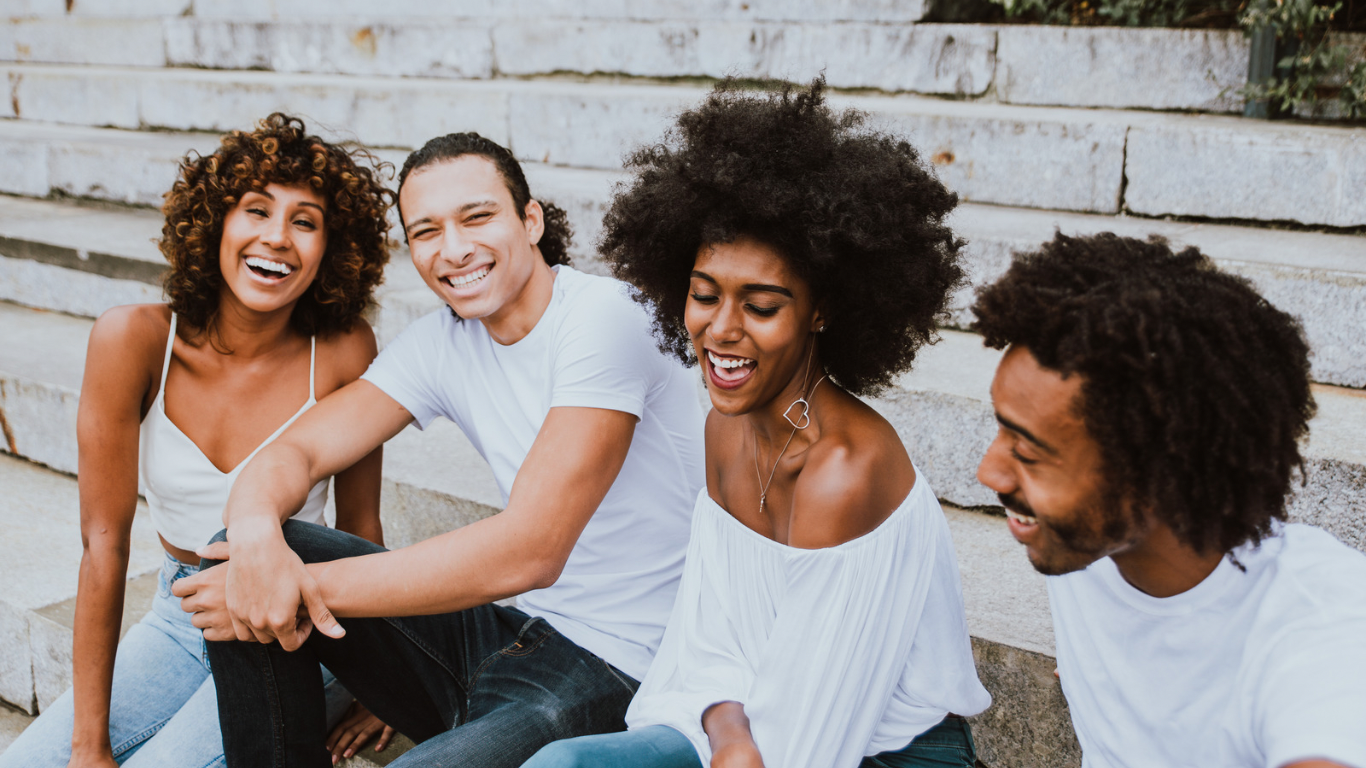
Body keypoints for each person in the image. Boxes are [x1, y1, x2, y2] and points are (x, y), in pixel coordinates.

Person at [172, 131, 707, 767]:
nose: (454, 250)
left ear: (530, 221)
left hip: (620, 665)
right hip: (508, 636)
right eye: (426, 231)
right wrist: (257, 538)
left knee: (261, 581)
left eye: (477, 217)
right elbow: (296, 453)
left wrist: (293, 587)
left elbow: (530, 550)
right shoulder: (443, 342)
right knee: (240, 557)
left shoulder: (603, 320)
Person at [525, 79, 991, 768]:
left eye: (762, 306)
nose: (721, 330)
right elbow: (711, 637)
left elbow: (810, 740)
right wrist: (730, 732)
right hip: (741, 729)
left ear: (821, 311)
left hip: (877, 754)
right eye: (704, 294)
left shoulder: (846, 470)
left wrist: (738, 745)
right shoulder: (723, 428)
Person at [0, 114, 394, 768]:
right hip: (182, 617)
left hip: (300, 620)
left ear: (332, 247)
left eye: (305, 221)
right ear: (214, 222)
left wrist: (388, 682)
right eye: (256, 210)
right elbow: (103, 545)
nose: (277, 238)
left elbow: (360, 526)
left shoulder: (345, 351)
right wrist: (87, 743)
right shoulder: (133, 340)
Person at [971, 232, 1366, 768]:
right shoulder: (1088, 550)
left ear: (1160, 474)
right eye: (1001, 432)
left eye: (1029, 453)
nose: (988, 472)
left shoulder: (1322, 628)